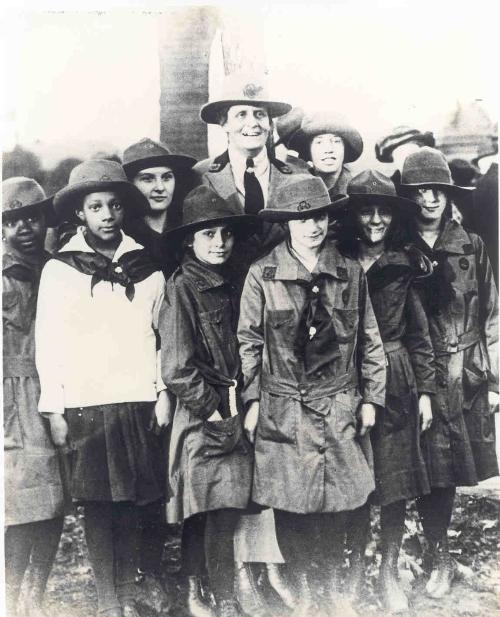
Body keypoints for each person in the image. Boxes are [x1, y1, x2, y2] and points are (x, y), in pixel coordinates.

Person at [238, 174, 386, 616]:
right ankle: (302, 588)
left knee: (342, 502)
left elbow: (369, 340)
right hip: (284, 407)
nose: (313, 226)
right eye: (302, 219)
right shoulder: (262, 274)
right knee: (292, 503)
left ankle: (334, 587)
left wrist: (371, 399)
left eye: (320, 217)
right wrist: (252, 402)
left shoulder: (349, 271)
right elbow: (249, 343)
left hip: (339, 403)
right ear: (286, 223)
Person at [35, 159, 168, 617]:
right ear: (80, 213)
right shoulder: (60, 270)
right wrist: (54, 408)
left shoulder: (147, 268)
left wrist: (161, 393)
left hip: (136, 398)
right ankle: (107, 599)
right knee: (98, 505)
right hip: (86, 403)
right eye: (96, 207)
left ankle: (127, 592)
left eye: (114, 205)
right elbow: (49, 341)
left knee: (132, 501)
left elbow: (161, 337)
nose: (107, 215)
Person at [194, 72, 302, 613]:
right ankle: (227, 570)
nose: (252, 123)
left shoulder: (295, 176)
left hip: (279, 326)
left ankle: (268, 566)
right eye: (240, 114)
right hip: (218, 326)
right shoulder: (202, 178)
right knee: (227, 452)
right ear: (223, 124)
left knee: (272, 443)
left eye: (260, 114)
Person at [399, 147, 499, 598]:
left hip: (465, 373)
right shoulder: (400, 249)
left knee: (451, 468)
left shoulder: (470, 245)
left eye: (437, 190)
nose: (430, 199)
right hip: (419, 373)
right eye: (420, 191)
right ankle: (424, 552)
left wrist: (494, 380)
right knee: (423, 465)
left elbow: (492, 314)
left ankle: (439, 555)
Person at [338, 170, 435, 612]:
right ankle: (355, 569)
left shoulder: (405, 263)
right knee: (355, 476)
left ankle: (388, 570)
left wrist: (426, 392)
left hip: (396, 379)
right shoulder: (337, 259)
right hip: (347, 376)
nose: (375, 220)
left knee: (395, 480)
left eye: (384, 211)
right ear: (352, 215)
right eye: (366, 211)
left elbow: (419, 334)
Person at [159, 185, 258, 617]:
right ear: (189, 241)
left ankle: (215, 589)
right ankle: (204, 591)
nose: (220, 243)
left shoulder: (235, 281)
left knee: (224, 505)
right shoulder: (182, 287)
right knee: (207, 506)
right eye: (208, 235)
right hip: (203, 411)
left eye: (226, 233)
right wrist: (215, 410)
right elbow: (176, 367)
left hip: (234, 404)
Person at [3, 177, 66, 617]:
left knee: (57, 497)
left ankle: (35, 595)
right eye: (12, 220)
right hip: (13, 395)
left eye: (32, 217)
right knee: (23, 500)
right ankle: (10, 596)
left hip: (57, 387)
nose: (23, 228)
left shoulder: (57, 269)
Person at [122, 137, 197, 280]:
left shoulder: (189, 229)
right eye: (147, 179)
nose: (160, 187)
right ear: (130, 184)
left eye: (167, 177)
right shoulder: (123, 235)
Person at [283, 110, 364, 198]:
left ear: (345, 148)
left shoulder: (359, 191)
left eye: (336, 141)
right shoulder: (295, 189)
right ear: (308, 149)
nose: (328, 150)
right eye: (319, 142)